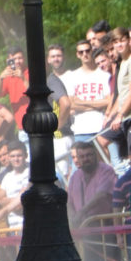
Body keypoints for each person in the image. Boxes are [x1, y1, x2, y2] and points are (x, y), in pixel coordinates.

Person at [98, 27, 131, 169]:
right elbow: (122, 93)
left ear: (128, 41)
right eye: (116, 42)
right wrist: (110, 115)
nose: (119, 45)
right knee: (100, 140)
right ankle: (113, 175)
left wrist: (119, 115)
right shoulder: (123, 62)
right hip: (125, 115)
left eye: (122, 41)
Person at [67, 142, 118, 261]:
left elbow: (101, 195)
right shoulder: (75, 176)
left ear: (95, 155)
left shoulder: (106, 170)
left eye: (89, 155)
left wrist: (81, 213)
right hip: (84, 231)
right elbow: (69, 201)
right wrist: (73, 217)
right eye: (82, 156)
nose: (86, 159)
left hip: (104, 229)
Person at [62, 40, 112, 143]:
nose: (85, 54)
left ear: (92, 51)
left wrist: (82, 102)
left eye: (87, 51)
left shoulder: (104, 76)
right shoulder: (72, 76)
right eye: (81, 52)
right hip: (81, 129)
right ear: (77, 55)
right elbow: (71, 104)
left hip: (102, 127)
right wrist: (99, 104)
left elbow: (109, 101)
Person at [46, 44, 74, 179]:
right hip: (63, 137)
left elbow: (66, 104)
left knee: (62, 178)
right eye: (53, 56)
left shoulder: (51, 80)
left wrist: (57, 126)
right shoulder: (50, 80)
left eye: (59, 55)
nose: (56, 59)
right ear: (48, 60)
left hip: (61, 138)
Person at [0, 46, 29, 139]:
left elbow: (34, 94)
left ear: (24, 58)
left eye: (20, 58)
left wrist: (22, 78)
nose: (18, 61)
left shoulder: (30, 73)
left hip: (35, 124)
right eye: (14, 59)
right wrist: (1, 78)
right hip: (21, 128)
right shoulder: (8, 77)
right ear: (9, 60)